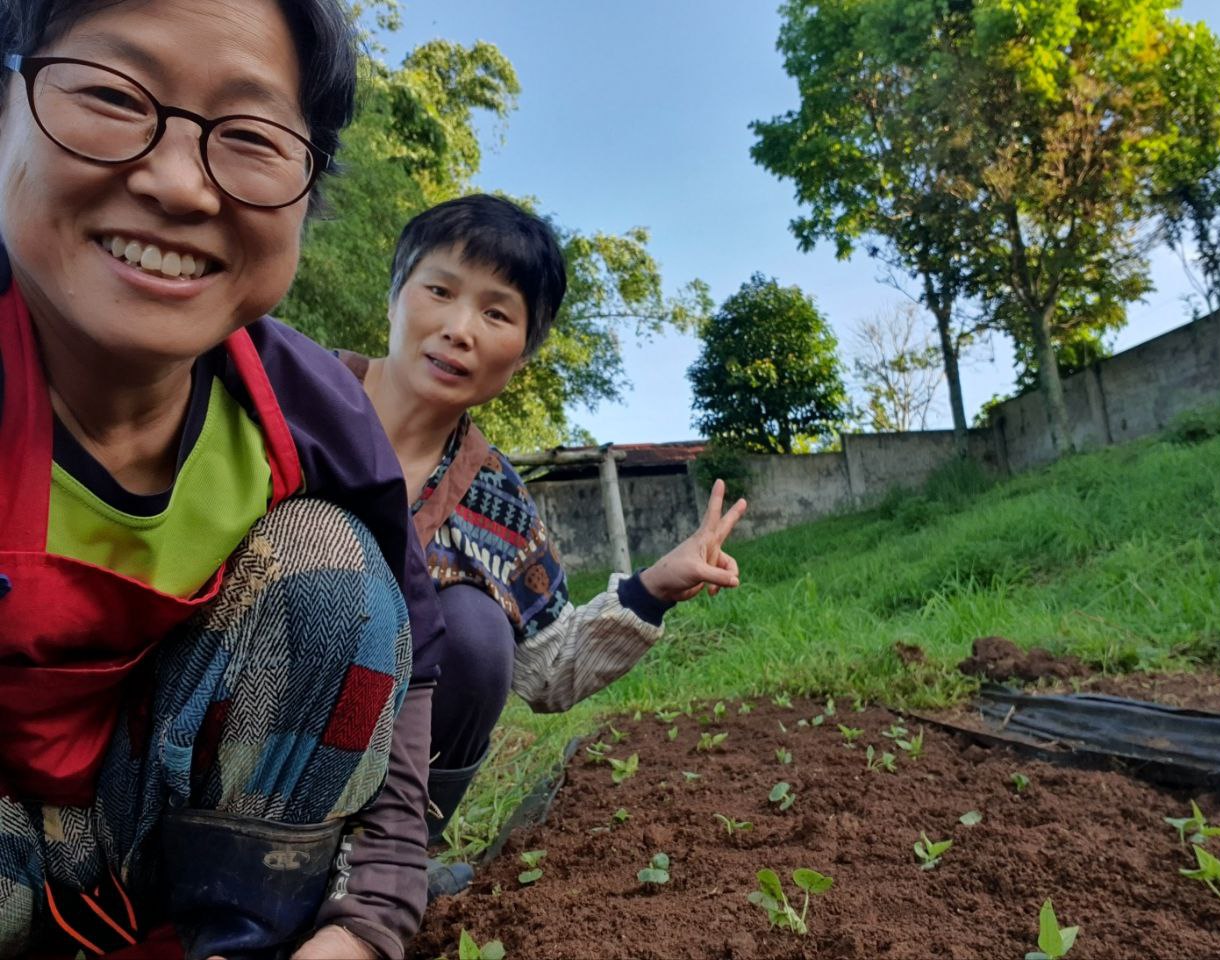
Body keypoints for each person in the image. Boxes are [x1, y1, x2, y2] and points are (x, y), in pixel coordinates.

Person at [0, 2, 444, 958]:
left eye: (249, 135)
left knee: (338, 584)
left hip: (143, 818)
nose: (175, 184)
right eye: (113, 96)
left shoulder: (308, 412)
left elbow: (419, 666)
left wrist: (371, 917)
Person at [340, 194, 748, 896]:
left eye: (496, 314)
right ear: (395, 299)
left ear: (522, 355)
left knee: (474, 629)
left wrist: (654, 588)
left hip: (374, 766)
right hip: (214, 728)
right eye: (439, 291)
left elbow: (545, 668)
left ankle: (378, 862)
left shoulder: (493, 497)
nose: (459, 329)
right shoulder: (286, 395)